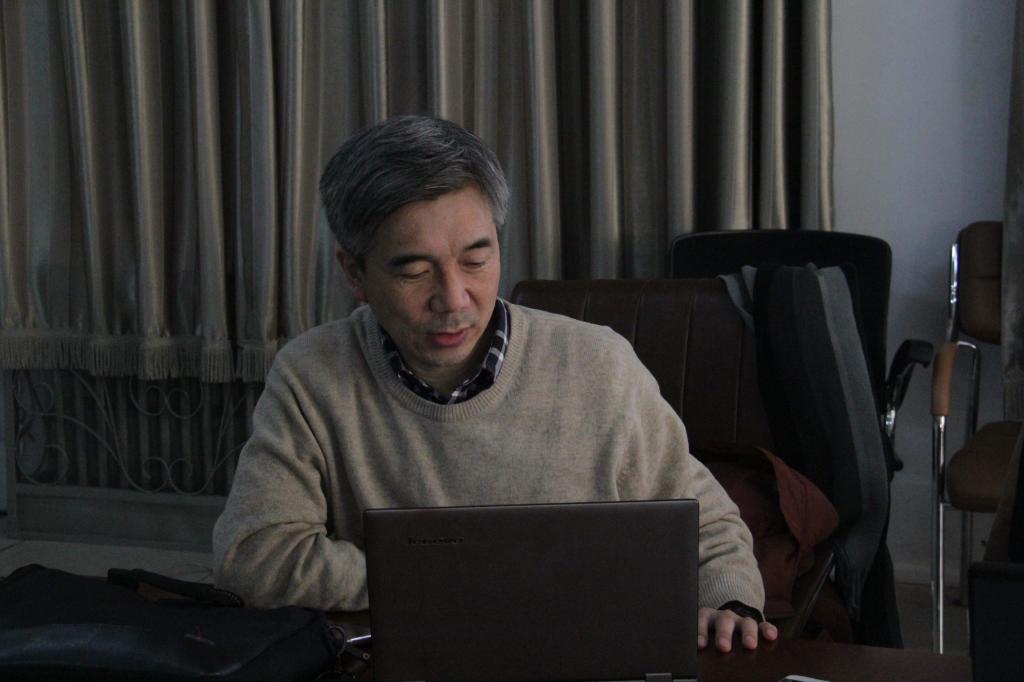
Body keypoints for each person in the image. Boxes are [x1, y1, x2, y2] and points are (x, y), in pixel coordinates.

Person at [213, 115, 777, 652]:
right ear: (354, 272)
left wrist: (728, 601)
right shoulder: (312, 375)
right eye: (414, 271)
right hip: (408, 655)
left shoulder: (598, 365)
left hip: (581, 651)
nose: (453, 299)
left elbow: (707, 524)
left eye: (476, 261)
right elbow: (255, 556)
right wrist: (470, 580)